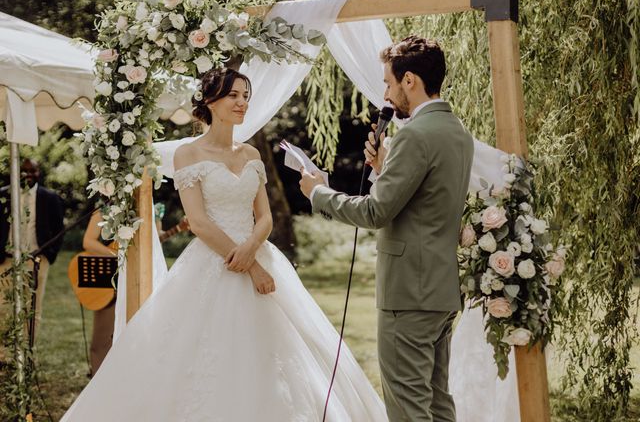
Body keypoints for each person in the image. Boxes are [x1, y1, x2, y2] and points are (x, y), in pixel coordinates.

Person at [61, 67, 387, 421]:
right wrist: (251, 265)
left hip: (256, 251)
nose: (242, 102)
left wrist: (252, 252)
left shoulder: (251, 155)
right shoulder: (189, 154)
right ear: (211, 102)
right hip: (211, 262)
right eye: (233, 95)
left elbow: (265, 218)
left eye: (246, 96)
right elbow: (199, 222)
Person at [300, 36, 474, 422]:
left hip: (408, 292)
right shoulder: (455, 132)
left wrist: (319, 194)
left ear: (409, 79)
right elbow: (423, 203)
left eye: (388, 83)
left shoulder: (414, 134)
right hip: (441, 289)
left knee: (408, 407)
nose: (386, 92)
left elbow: (377, 212)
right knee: (436, 401)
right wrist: (383, 169)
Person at [0, 158, 64, 357]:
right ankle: (4, 354)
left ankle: (27, 353)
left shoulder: (50, 198)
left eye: (33, 170)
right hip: (7, 259)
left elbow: (59, 230)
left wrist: (48, 254)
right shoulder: (3, 195)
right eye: (24, 170)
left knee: (33, 309)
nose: (28, 174)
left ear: (39, 172)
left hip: (36, 260)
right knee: (3, 307)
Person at [81, 208, 116, 376]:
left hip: (139, 280)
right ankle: (98, 379)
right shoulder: (103, 211)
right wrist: (117, 254)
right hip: (109, 282)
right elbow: (88, 242)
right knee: (102, 340)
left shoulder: (150, 208)